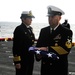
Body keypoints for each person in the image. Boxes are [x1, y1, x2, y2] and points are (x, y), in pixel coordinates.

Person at [35, 5, 73, 75]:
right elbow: (38, 46)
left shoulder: (66, 32)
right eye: (49, 17)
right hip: (45, 69)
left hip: (59, 69)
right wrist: (38, 55)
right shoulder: (43, 31)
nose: (50, 19)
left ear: (59, 18)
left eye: (52, 17)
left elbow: (65, 49)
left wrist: (47, 49)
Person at [12, 10, 35, 75]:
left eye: (31, 18)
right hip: (23, 59)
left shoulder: (30, 29)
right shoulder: (19, 29)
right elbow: (16, 46)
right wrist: (17, 61)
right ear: (23, 19)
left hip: (30, 58)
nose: (31, 20)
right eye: (29, 18)